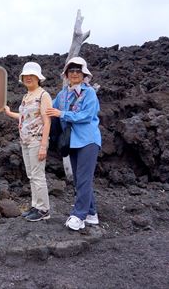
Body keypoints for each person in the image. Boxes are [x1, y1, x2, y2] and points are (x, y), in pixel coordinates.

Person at [45, 57, 101, 231]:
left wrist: (63, 114)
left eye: (78, 70)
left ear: (84, 74)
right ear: (67, 74)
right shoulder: (62, 95)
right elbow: (50, 110)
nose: (75, 73)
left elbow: (87, 115)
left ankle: (79, 215)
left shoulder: (89, 93)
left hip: (88, 140)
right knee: (79, 179)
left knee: (84, 178)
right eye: (71, 71)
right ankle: (91, 213)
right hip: (72, 142)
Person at [4, 62, 52, 222]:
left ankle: (44, 209)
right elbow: (25, 117)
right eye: (26, 76)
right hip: (25, 141)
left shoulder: (43, 95)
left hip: (37, 141)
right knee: (31, 175)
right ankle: (35, 206)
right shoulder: (26, 96)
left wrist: (43, 145)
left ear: (38, 78)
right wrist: (10, 113)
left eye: (32, 75)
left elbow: (47, 121)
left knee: (38, 175)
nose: (28, 78)